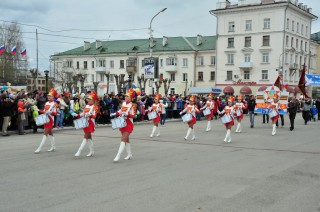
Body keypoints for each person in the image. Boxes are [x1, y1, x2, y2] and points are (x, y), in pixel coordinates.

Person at [111, 88, 136, 162]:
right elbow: (120, 111)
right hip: (122, 122)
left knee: (123, 139)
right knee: (126, 139)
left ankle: (118, 156)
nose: (125, 97)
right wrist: (115, 113)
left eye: (127, 96)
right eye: (125, 96)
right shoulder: (123, 103)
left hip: (129, 123)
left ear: (131, 98)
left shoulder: (133, 105)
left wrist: (127, 114)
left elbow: (133, 115)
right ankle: (129, 154)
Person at [74, 91, 98, 157]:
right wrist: (78, 115)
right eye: (89, 99)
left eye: (90, 99)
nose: (89, 100)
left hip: (90, 123)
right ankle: (92, 151)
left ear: (93, 100)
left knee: (85, 137)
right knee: (89, 137)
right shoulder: (86, 106)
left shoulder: (95, 107)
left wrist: (89, 115)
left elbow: (94, 116)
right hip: (85, 122)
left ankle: (79, 151)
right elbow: (83, 113)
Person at [34, 89, 57, 153]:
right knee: (50, 133)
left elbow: (55, 113)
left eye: (50, 96)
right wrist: (38, 110)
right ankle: (53, 146)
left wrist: (50, 112)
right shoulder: (46, 103)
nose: (49, 97)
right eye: (48, 96)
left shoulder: (54, 104)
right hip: (46, 119)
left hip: (50, 120)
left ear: (53, 97)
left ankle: (39, 148)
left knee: (45, 133)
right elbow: (44, 111)